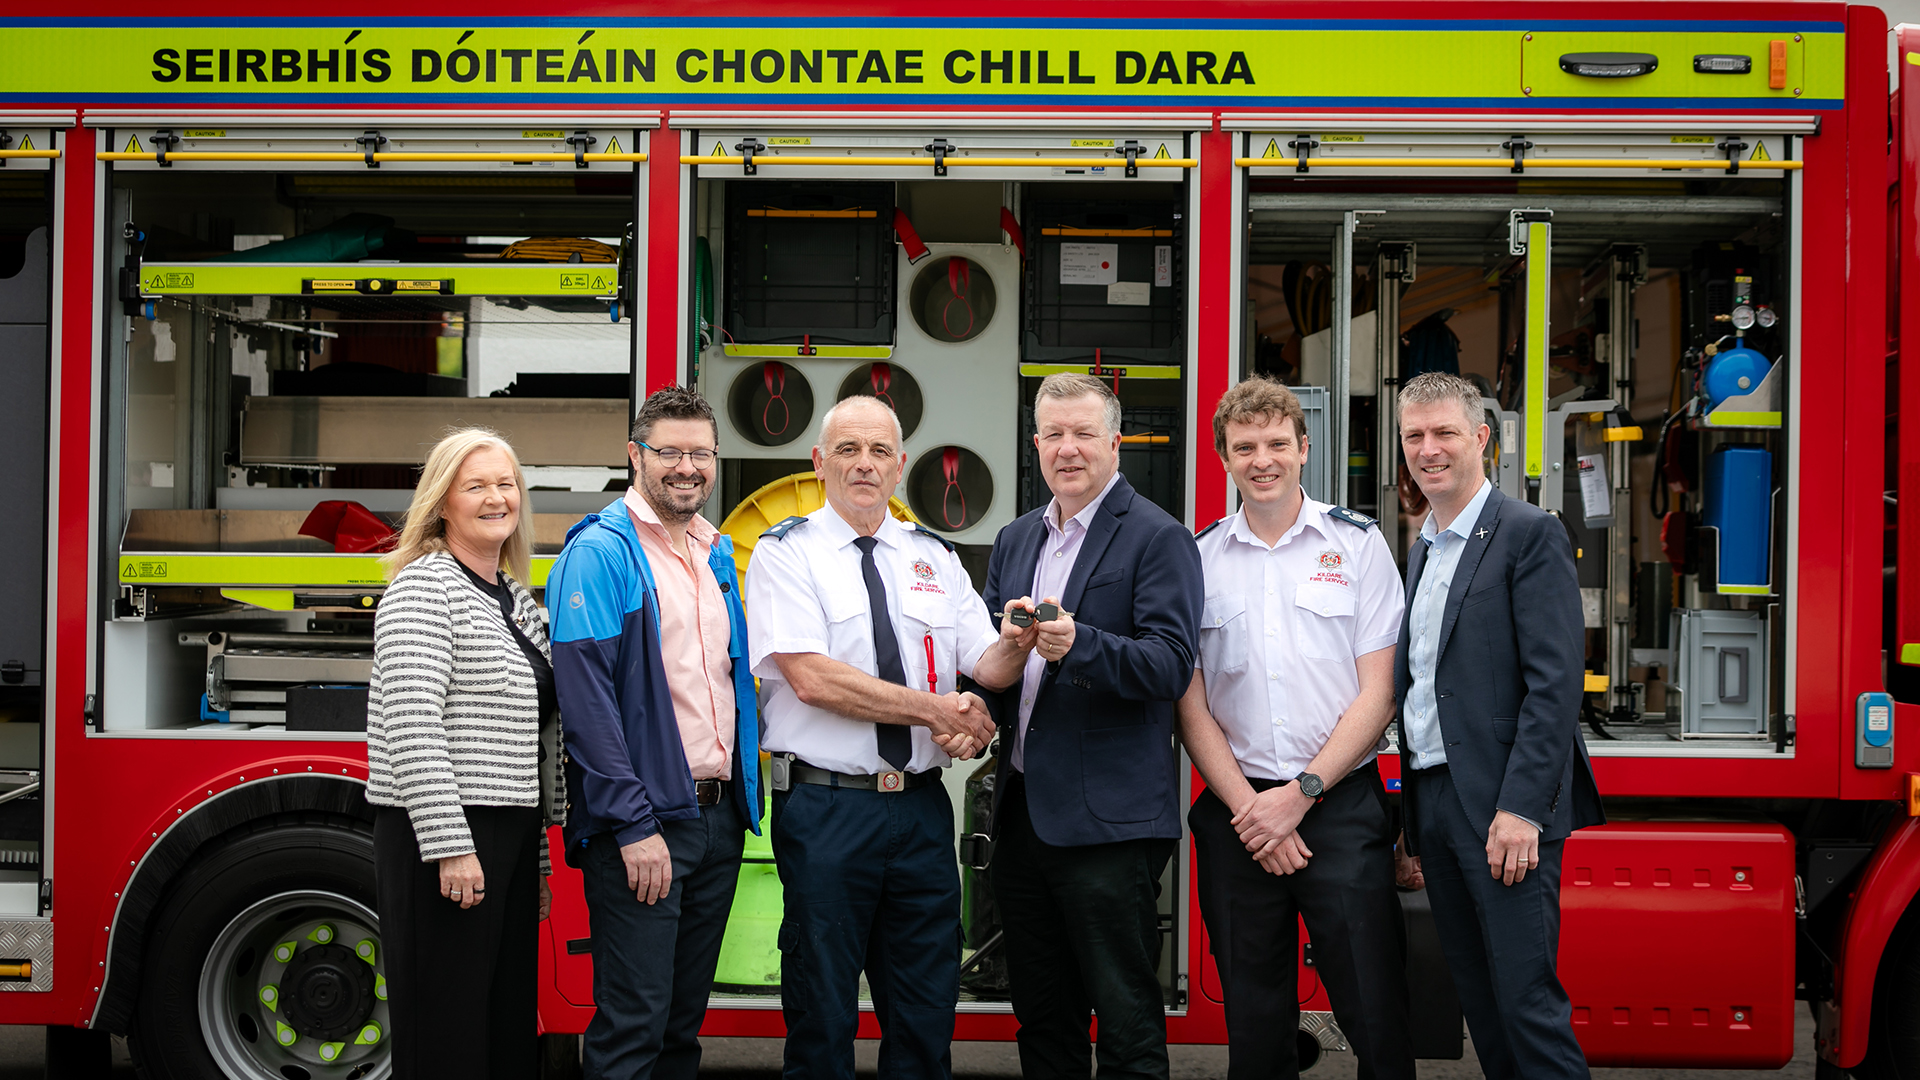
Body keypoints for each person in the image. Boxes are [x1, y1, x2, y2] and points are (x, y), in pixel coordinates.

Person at [746, 395, 1027, 1080]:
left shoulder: (933, 555)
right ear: (819, 463)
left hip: (922, 812)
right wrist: (938, 711)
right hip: (827, 811)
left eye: (878, 452)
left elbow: (982, 662)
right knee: (823, 1017)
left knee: (926, 1017)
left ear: (901, 465)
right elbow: (814, 679)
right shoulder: (786, 555)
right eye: (847, 450)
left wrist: (1017, 649)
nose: (864, 465)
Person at [1178, 376, 1414, 1080]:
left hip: (1339, 807)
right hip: (1236, 814)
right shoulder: (1197, 558)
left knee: (1375, 1011)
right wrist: (1254, 811)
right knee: (1253, 1025)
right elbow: (1189, 703)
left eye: (1277, 443)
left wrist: (1301, 795)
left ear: (1304, 448)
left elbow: (1381, 692)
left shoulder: (1359, 546)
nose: (1262, 459)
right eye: (1245, 446)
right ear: (1224, 457)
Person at [979, 373, 1203, 1080]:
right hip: (1023, 819)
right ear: (1035, 442)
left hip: (1110, 826)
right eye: (1054, 435)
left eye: (1083, 434)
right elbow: (988, 665)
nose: (1067, 449)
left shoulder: (1158, 537)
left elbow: (1170, 667)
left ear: (1115, 441)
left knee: (1128, 1019)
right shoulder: (1017, 539)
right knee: (1043, 1018)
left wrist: (1082, 644)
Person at [1392, 372, 1605, 1080]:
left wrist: (1521, 810)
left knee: (1526, 1005)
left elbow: (1555, 688)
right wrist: (1411, 823)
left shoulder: (1528, 534)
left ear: (1481, 437)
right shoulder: (1424, 545)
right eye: (1415, 435)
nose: (1429, 449)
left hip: (1502, 810)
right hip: (1438, 804)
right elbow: (1426, 685)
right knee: (1482, 1002)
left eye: (1445, 432)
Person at [547, 386, 762, 1080]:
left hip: (716, 820)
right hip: (644, 827)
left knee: (679, 1030)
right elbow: (586, 705)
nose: (687, 467)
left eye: (701, 453)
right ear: (636, 455)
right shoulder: (600, 553)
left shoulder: (713, 550)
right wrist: (632, 826)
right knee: (632, 1029)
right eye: (670, 451)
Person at [365, 428, 563, 1080]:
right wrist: (453, 845)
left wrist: (534, 852)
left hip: (506, 835)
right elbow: (412, 725)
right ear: (442, 502)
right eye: (476, 485)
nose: (495, 498)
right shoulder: (425, 589)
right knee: (444, 1033)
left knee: (502, 1026)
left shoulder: (513, 598)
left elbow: (536, 729)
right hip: (446, 837)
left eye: (505, 484)